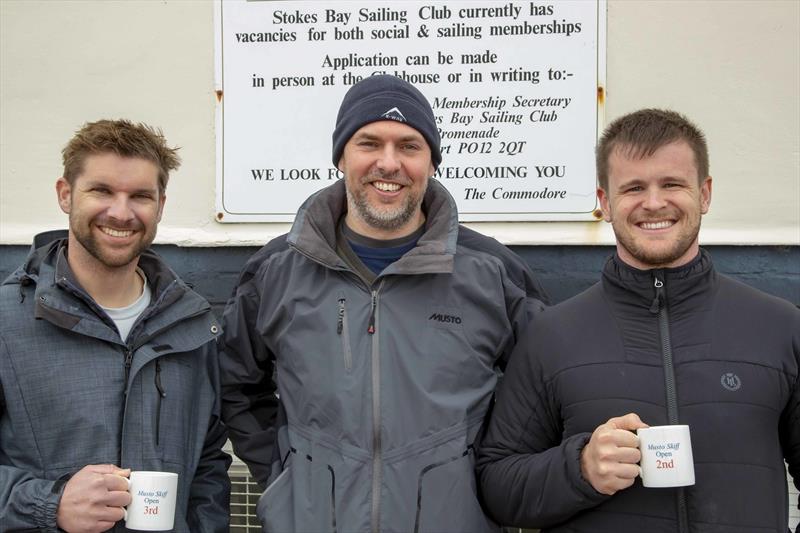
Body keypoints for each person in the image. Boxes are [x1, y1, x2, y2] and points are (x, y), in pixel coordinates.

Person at [219, 74, 548, 532]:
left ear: (432, 160)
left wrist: (479, 475)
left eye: (409, 146)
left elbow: (541, 392)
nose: (388, 163)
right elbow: (235, 383)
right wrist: (286, 475)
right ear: (341, 157)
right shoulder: (277, 271)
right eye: (368, 143)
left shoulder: (493, 274)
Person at [476, 108, 800, 532]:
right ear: (606, 203)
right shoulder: (551, 336)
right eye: (633, 188)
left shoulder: (777, 327)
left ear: (704, 194)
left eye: (672, 184)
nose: (653, 203)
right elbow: (497, 486)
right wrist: (580, 470)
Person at [0, 119, 231, 532]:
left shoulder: (192, 324)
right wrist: (48, 505)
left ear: (160, 205)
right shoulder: (7, 320)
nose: (121, 213)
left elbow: (208, 462)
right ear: (65, 194)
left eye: (140, 195)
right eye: (102, 190)